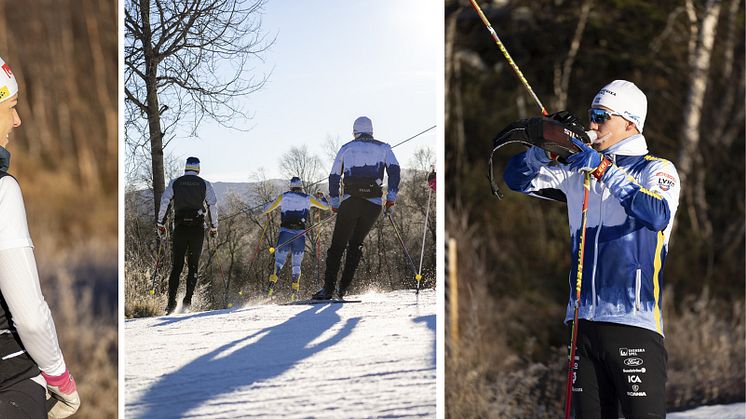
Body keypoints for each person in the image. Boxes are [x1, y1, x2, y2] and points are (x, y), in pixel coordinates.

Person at [503, 80, 680, 418]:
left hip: (633, 325)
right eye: (591, 115)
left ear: (630, 123)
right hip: (582, 327)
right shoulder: (577, 171)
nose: (593, 125)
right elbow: (516, 179)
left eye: (602, 116)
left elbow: (656, 214)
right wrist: (542, 148)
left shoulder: (656, 169)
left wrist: (602, 168)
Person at [0, 56, 80, 418]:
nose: (17, 120)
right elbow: (30, 316)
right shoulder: (2, 190)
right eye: (10, 107)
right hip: (9, 380)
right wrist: (60, 380)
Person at [313, 116, 400, 300]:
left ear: (354, 132)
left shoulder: (347, 148)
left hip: (351, 202)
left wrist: (335, 203)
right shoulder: (384, 148)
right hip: (373, 205)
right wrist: (390, 199)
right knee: (356, 244)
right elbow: (395, 171)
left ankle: (328, 289)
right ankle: (343, 288)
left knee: (337, 246)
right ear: (371, 131)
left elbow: (334, 176)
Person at [157, 156, 218, 314]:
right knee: (193, 266)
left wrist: (160, 224)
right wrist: (213, 227)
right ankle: (187, 302)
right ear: (198, 169)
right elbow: (213, 204)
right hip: (197, 230)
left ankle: (171, 303)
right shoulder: (204, 184)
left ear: (185, 168)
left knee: (176, 267)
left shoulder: (175, 182)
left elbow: (165, 201)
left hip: (180, 229)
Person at [263, 177, 330, 299]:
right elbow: (325, 207)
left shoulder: (283, 196)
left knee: (278, 262)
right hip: (300, 234)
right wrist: (322, 196)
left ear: (290, 187)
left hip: (285, 233)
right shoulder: (308, 198)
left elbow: (266, 209)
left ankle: (271, 287)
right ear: (301, 187)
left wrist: (266, 205)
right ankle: (294, 292)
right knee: (296, 264)